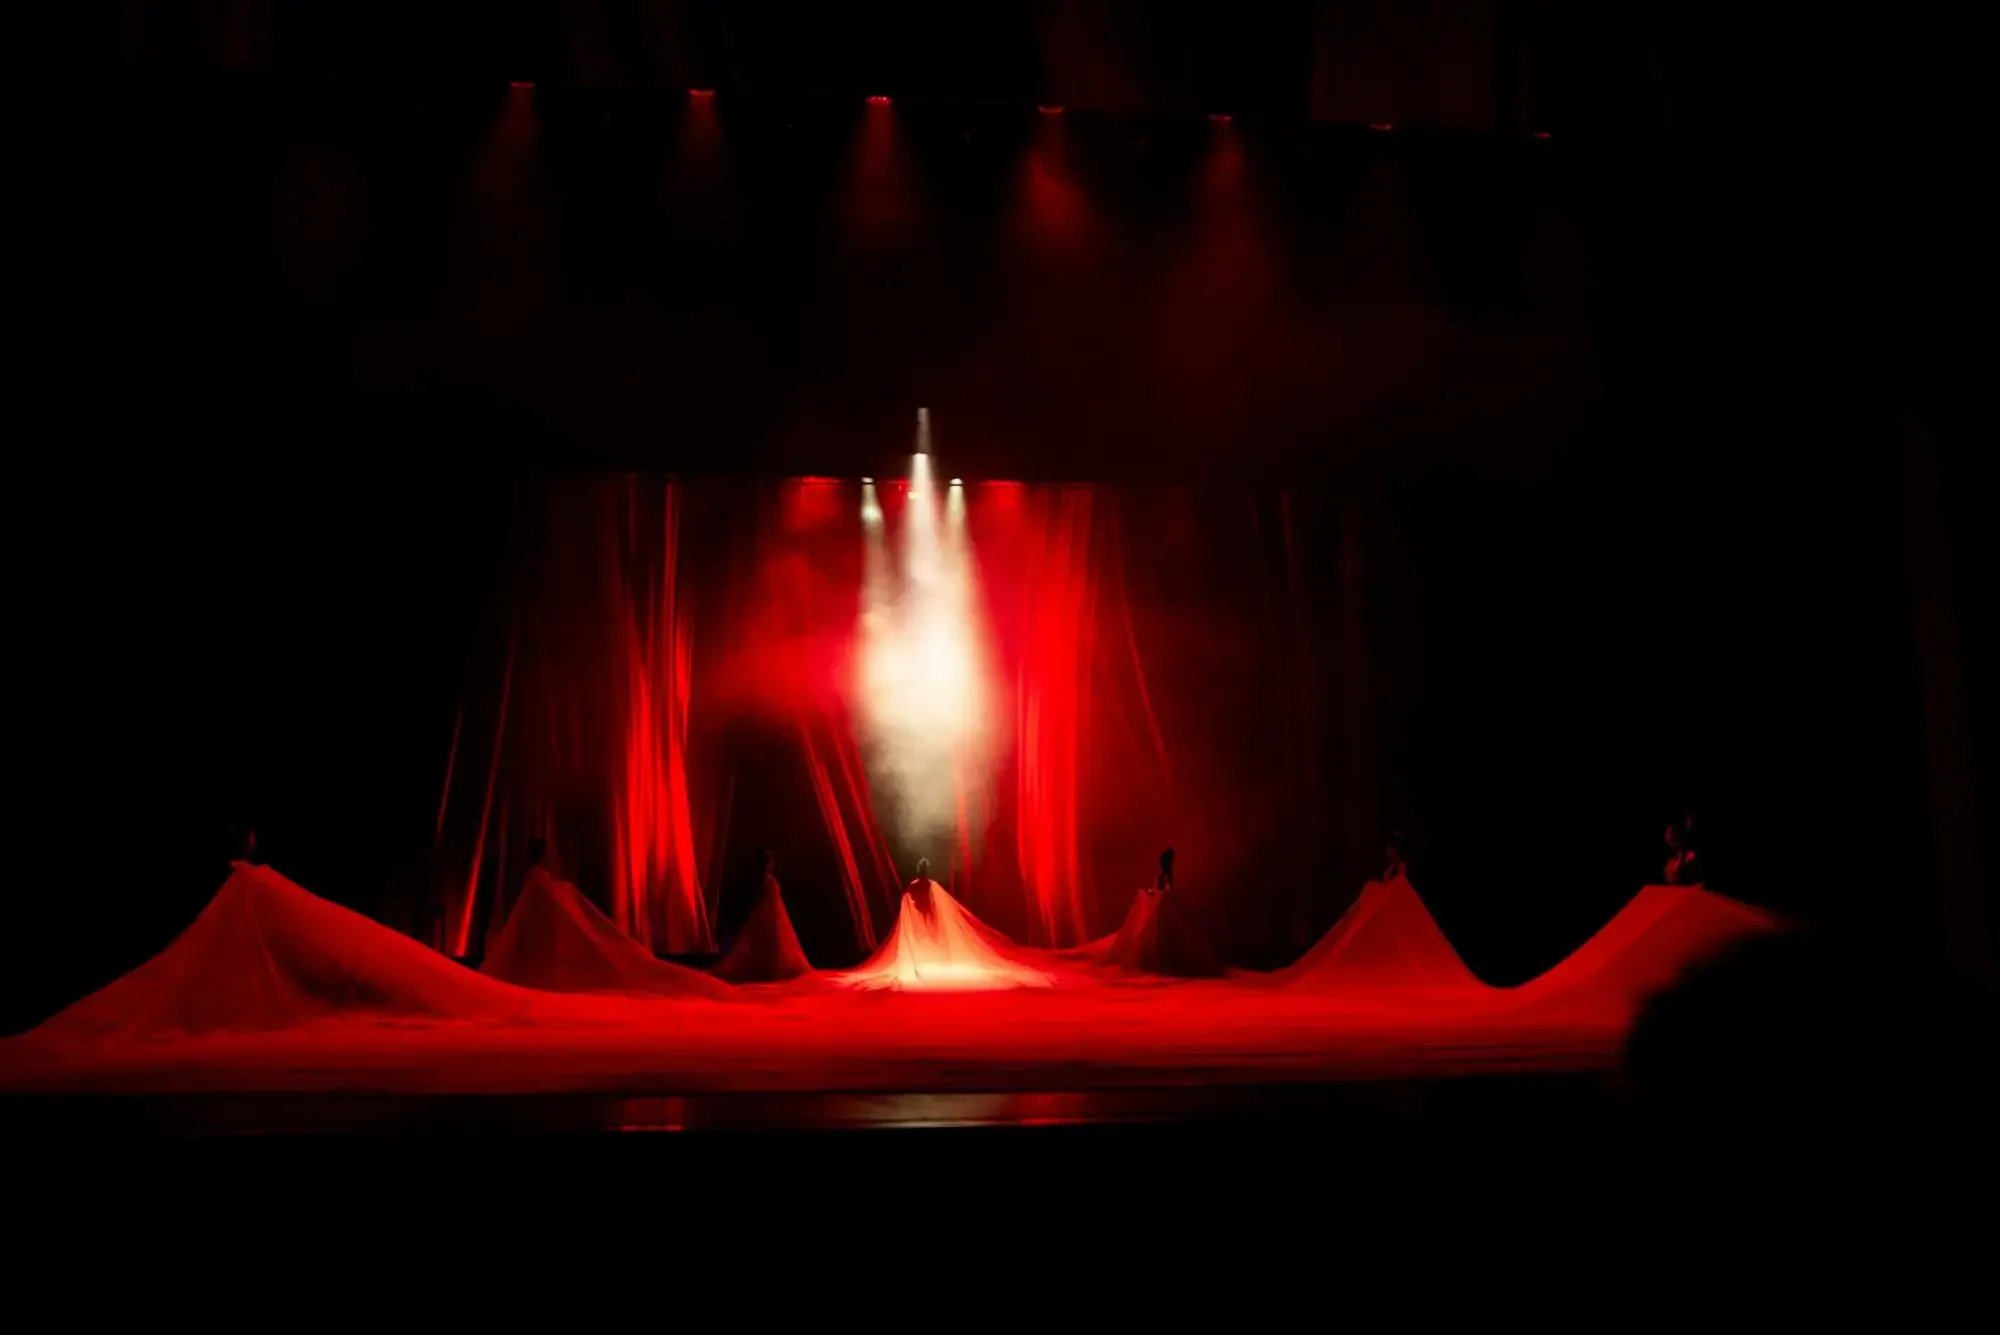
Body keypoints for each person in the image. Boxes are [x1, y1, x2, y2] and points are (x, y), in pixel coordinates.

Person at [1103, 847, 1223, 977]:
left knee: (1162, 934)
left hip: (1163, 905)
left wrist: (1156, 893)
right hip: (1163, 905)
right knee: (1163, 933)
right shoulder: (1166, 875)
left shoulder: (1164, 875)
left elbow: (1162, 890)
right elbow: (1165, 890)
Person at [714, 850, 813, 982]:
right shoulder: (763, 881)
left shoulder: (767, 881)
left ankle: (769, 968)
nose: (770, 865)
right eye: (768, 862)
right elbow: (760, 900)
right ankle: (766, 969)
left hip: (773, 916)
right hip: (767, 916)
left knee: (773, 945)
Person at [1664, 814, 1703, 886]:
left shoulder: (1691, 856)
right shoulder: (1672, 857)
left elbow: (1698, 883)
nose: (1667, 833)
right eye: (1667, 830)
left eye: (1670, 830)